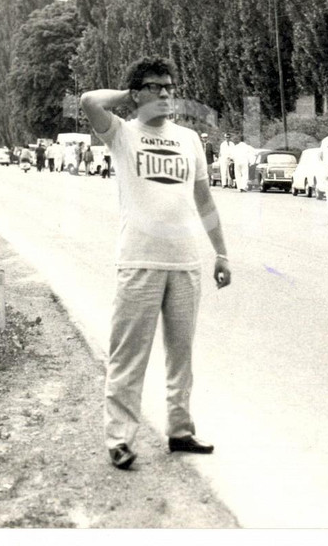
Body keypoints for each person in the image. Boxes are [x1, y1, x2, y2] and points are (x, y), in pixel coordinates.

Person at [79, 55, 231, 472]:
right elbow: (90, 100)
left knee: (181, 354)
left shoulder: (190, 140)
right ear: (137, 92)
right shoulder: (122, 134)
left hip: (185, 263)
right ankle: (120, 440)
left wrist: (220, 252)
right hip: (139, 260)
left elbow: (205, 201)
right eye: (155, 86)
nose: (165, 93)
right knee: (129, 355)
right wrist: (128, 95)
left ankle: (180, 430)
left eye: (169, 86)